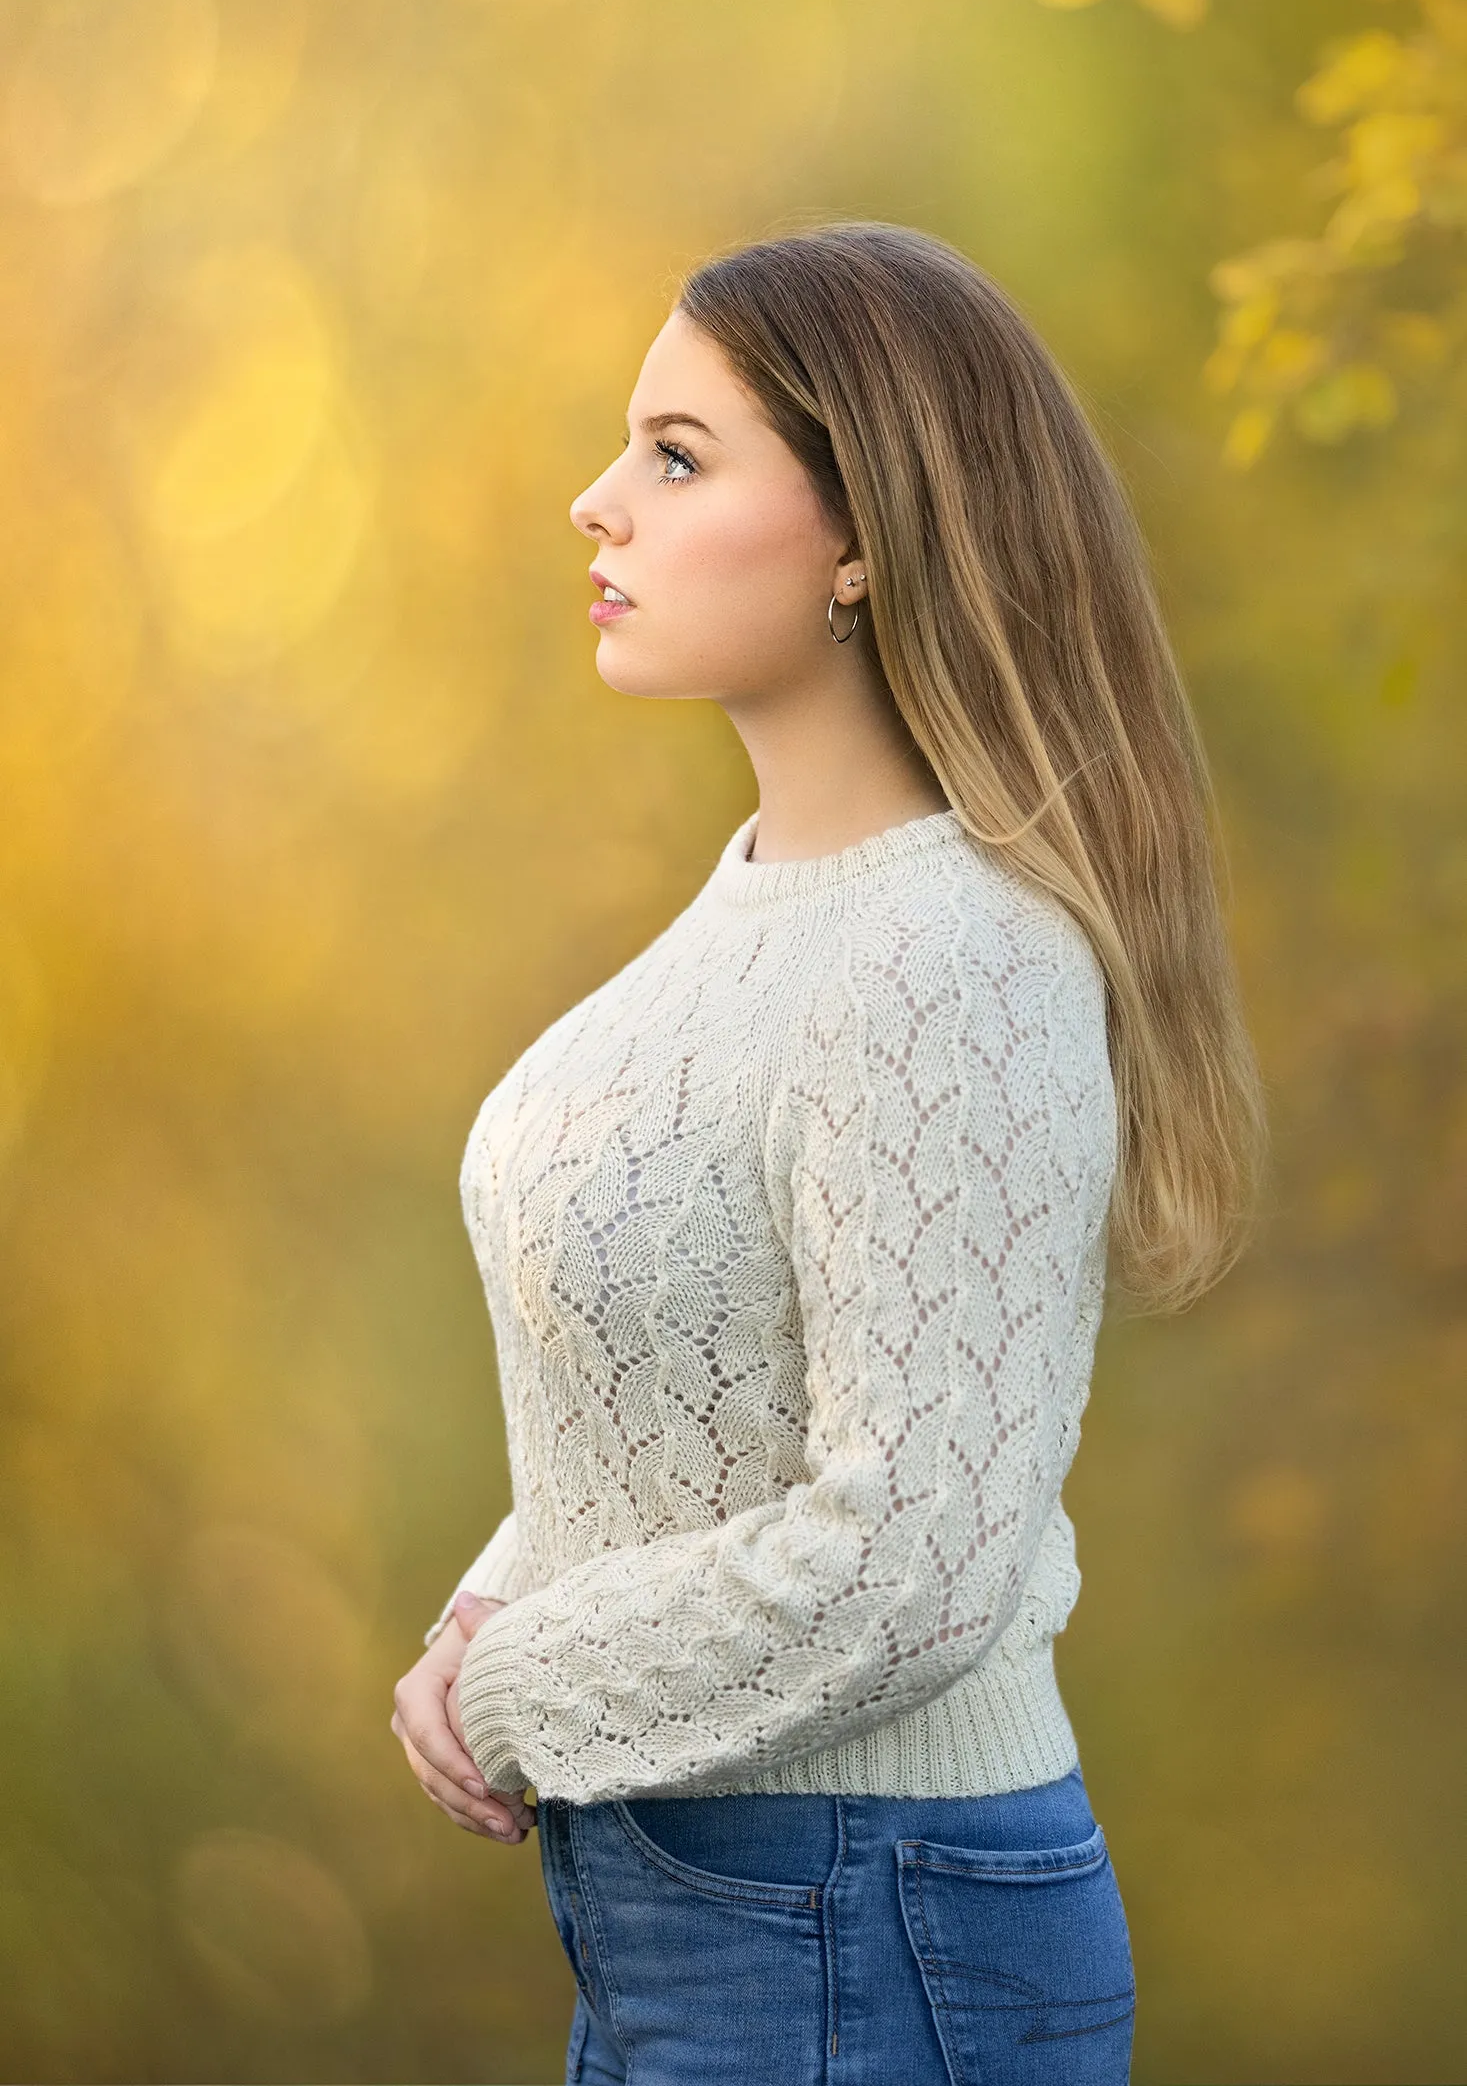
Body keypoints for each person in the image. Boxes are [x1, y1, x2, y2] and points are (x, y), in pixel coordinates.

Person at [391, 220, 1267, 2085]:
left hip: (865, 1916)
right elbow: (675, 1382)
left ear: (867, 538)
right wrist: (489, 1597)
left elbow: (919, 1555)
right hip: (701, 1904)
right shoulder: (748, 916)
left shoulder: (952, 956)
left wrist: (519, 1686)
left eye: (676, 455)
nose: (594, 504)